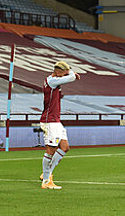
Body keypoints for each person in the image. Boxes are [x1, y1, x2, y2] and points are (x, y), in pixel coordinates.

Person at [39, 61, 80, 189]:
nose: (64, 77)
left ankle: (47, 173)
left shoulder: (54, 80)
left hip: (55, 120)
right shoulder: (52, 81)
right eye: (63, 74)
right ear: (57, 72)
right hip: (49, 121)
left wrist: (69, 72)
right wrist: (71, 73)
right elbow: (72, 77)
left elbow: (70, 77)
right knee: (51, 149)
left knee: (65, 147)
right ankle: (46, 180)